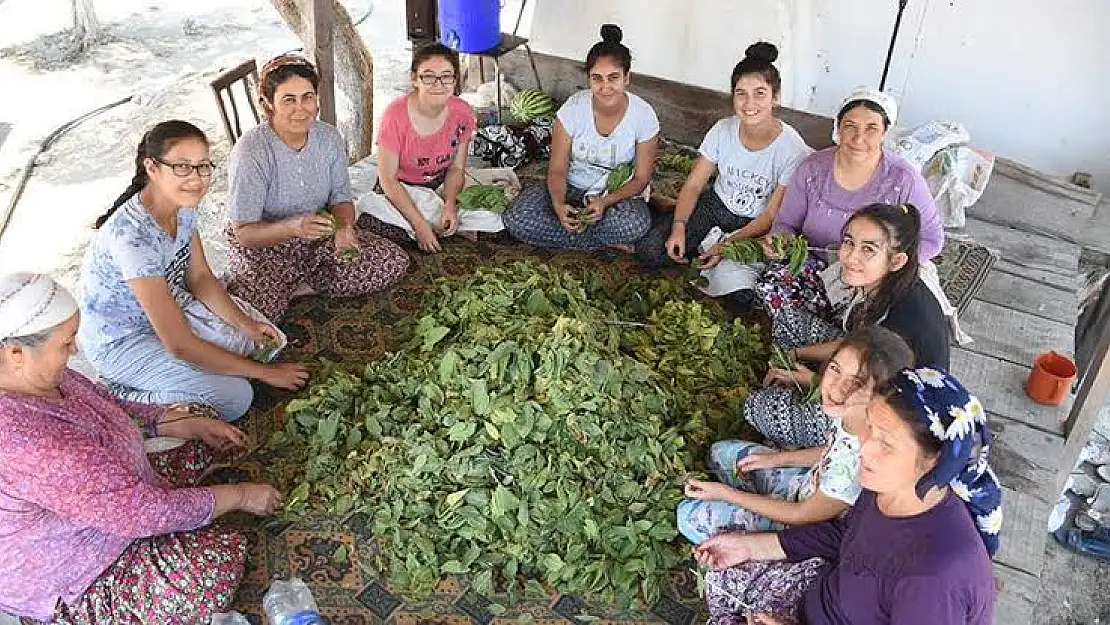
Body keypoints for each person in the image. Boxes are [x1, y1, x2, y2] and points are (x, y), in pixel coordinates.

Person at [0, 272, 284, 624]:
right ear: (16, 353)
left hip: (109, 489)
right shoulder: (28, 443)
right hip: (71, 565)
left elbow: (103, 399)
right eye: (66, 343)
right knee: (213, 564)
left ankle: (184, 490)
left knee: (198, 417)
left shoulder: (39, 375)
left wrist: (166, 420)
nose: (75, 351)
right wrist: (240, 495)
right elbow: (142, 514)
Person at [693, 367, 1002, 625]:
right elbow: (845, 536)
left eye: (886, 443)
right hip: (822, 598)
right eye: (869, 427)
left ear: (935, 462)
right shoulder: (886, 489)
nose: (864, 447)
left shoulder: (933, 581)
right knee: (721, 573)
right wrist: (748, 546)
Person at [78, 120, 309, 421]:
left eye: (203, 166)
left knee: (260, 341)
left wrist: (245, 324)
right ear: (152, 167)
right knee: (236, 397)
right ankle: (118, 397)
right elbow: (181, 345)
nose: (197, 179)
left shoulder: (183, 206)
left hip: (168, 309)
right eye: (183, 167)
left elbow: (200, 278)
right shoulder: (132, 240)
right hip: (122, 341)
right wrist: (266, 373)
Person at [678, 326, 913, 543]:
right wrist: (776, 459)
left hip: (798, 525)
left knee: (687, 516)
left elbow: (801, 515)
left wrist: (727, 494)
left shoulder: (861, 464)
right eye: (835, 369)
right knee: (720, 452)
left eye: (856, 384)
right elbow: (833, 451)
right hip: (802, 485)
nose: (837, 388)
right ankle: (751, 496)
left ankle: (749, 536)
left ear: (882, 396)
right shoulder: (851, 413)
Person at [746, 203, 949, 448]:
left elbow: (874, 400)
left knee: (757, 407)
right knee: (789, 319)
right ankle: (800, 391)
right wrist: (795, 354)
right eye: (849, 242)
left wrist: (816, 383)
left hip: (886, 419)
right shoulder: (889, 285)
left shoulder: (901, 321)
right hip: (863, 372)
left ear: (896, 261)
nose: (851, 257)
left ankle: (826, 441)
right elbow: (856, 343)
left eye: (868, 249)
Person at [226, 54, 410, 320]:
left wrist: (345, 229)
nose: (301, 109)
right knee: (251, 323)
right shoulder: (252, 151)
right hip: (265, 249)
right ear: (268, 104)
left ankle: (297, 287)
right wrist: (292, 228)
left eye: (308, 97)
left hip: (317, 239)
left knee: (392, 262)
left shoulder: (329, 138)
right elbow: (244, 232)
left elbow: (341, 198)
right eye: (288, 99)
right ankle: (284, 285)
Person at [635, 42, 812, 288]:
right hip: (715, 206)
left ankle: (705, 251)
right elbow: (695, 184)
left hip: (755, 223)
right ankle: (686, 233)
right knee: (650, 250)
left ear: (775, 97)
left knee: (743, 289)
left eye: (760, 93)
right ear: (733, 96)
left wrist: (727, 246)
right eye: (741, 93)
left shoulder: (793, 150)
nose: (750, 104)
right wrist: (678, 227)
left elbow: (771, 214)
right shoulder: (723, 130)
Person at [757, 86, 945, 317]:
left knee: (881, 320)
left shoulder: (903, 180)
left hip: (873, 277)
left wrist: (882, 268)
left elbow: (932, 239)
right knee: (770, 289)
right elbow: (785, 223)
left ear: (885, 132)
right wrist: (780, 241)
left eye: (871, 128)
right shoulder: (812, 169)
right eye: (850, 126)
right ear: (838, 128)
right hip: (815, 265)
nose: (858, 138)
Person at [503, 24, 658, 252]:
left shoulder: (644, 116)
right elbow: (557, 169)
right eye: (597, 78)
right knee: (517, 218)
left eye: (613, 78)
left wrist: (605, 202)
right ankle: (603, 241)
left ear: (627, 78)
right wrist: (558, 204)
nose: (605, 87)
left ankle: (568, 236)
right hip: (571, 186)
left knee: (634, 224)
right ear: (588, 79)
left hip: (613, 195)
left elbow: (641, 179)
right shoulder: (573, 109)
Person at [361, 43, 507, 252]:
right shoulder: (395, 116)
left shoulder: (463, 112)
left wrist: (449, 204)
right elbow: (388, 179)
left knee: (496, 218)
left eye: (446, 76)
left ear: (455, 80)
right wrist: (420, 226)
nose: (438, 84)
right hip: (403, 187)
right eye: (428, 76)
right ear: (414, 79)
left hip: (439, 184)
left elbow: (457, 169)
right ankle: (436, 224)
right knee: (376, 225)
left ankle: (442, 221)